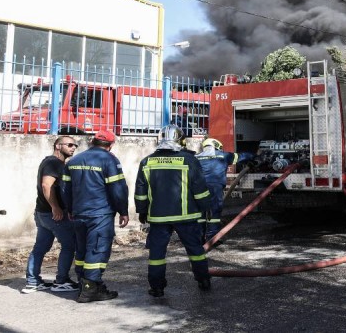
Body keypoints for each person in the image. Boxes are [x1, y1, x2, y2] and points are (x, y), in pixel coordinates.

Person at [135, 125, 213, 297]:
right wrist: (206, 208)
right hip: (187, 216)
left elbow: (141, 191)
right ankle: (203, 280)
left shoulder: (147, 161)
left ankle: (157, 287)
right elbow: (199, 188)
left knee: (156, 254)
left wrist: (142, 212)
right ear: (180, 140)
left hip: (158, 217)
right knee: (195, 250)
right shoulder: (189, 160)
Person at [61, 130, 129, 303]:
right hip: (100, 214)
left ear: (92, 141)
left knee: (82, 250)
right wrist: (123, 211)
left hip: (78, 213)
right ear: (111, 145)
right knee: (98, 250)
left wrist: (69, 208)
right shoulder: (109, 160)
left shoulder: (73, 160)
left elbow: (65, 189)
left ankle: (84, 284)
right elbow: (118, 189)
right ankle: (91, 289)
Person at [22, 136, 79, 294]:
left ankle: (33, 282)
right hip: (53, 215)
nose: (73, 147)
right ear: (58, 146)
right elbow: (46, 185)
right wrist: (56, 208)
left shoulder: (52, 162)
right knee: (69, 245)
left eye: (75, 145)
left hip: (42, 214)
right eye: (69, 145)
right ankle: (61, 281)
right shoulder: (53, 162)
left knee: (40, 247)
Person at [195, 137, 236, 242]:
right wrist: (255, 156)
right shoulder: (223, 155)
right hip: (215, 187)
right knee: (215, 212)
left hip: (199, 187)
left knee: (200, 213)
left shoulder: (196, 157)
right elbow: (240, 157)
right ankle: (212, 238)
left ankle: (199, 239)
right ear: (216, 146)